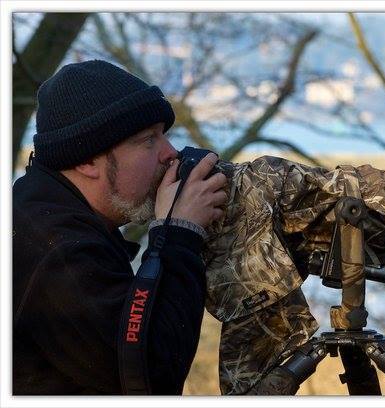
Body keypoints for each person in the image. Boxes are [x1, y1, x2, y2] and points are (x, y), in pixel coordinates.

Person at [12, 60, 228, 395]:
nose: (170, 153)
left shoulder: (49, 219)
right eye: (147, 140)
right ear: (86, 160)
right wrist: (179, 234)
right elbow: (147, 377)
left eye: (164, 135)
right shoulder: (55, 251)